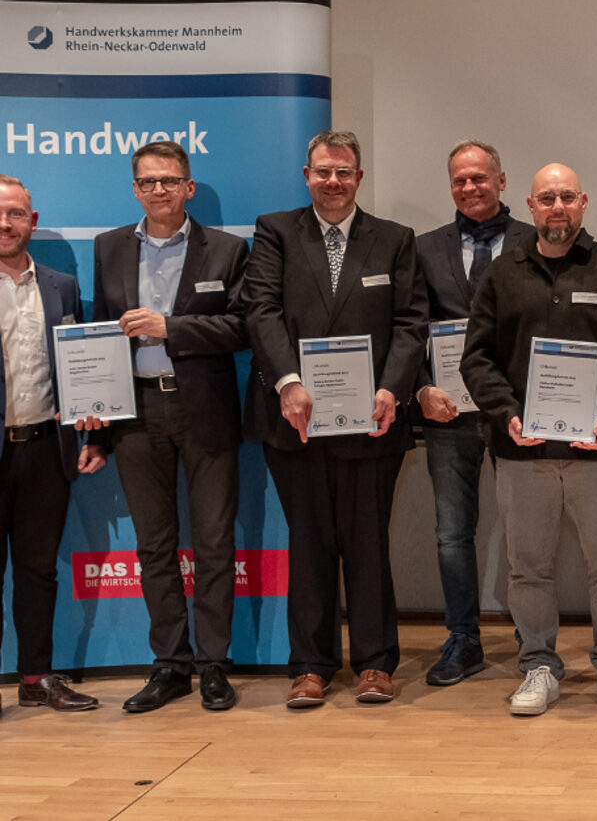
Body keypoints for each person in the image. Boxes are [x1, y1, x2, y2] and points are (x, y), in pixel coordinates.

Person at [459, 163, 597, 716]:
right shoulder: (502, 274)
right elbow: (477, 358)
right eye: (547, 198)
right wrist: (507, 414)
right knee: (529, 568)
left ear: (583, 202)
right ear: (530, 205)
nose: (557, 207)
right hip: (523, 452)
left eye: (567, 196)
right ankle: (538, 665)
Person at [243, 131, 429, 708]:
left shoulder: (394, 240)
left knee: (368, 543)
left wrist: (392, 388)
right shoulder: (275, 232)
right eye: (323, 171)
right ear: (307, 175)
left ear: (358, 178)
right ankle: (310, 666)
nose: (333, 181)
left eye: (343, 172)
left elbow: (411, 322)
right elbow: (261, 310)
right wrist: (288, 382)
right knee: (310, 543)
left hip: (372, 420)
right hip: (293, 420)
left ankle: (375, 662)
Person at [86, 141, 248, 713]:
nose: (159, 190)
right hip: (135, 413)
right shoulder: (108, 247)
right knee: (153, 544)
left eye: (170, 180)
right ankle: (170, 664)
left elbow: (243, 328)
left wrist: (170, 327)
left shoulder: (227, 249)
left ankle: (213, 665)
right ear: (135, 189)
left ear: (189, 187)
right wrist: (95, 429)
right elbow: (98, 336)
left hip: (205, 411)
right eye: (148, 181)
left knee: (214, 542)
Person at [413, 140, 533, 687]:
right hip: (449, 416)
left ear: (501, 181)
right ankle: (463, 639)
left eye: (479, 178)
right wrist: (420, 388)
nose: (469, 188)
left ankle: (533, 638)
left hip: (517, 414)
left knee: (527, 529)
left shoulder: (535, 240)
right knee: (451, 533)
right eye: (459, 180)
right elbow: (407, 328)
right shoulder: (423, 249)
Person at [0, 174, 104, 712]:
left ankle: (36, 678)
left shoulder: (61, 286)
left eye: (15, 213)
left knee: (39, 571)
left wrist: (90, 424)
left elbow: (80, 369)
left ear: (32, 221)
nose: (5, 223)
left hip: (46, 449)